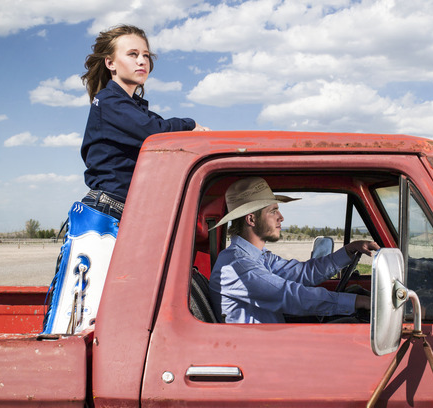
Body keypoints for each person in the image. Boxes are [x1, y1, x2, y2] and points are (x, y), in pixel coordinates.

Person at [79, 24, 210, 220]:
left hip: (124, 207)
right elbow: (155, 132)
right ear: (110, 63)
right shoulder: (108, 102)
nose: (142, 61)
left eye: (146, 55)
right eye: (132, 54)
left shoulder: (132, 107)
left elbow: (162, 131)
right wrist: (189, 124)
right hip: (107, 209)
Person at [208, 177, 380, 323]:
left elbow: (303, 272)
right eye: (273, 211)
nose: (281, 217)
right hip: (255, 353)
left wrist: (349, 251)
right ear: (251, 219)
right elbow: (290, 296)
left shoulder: (259, 257)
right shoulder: (237, 265)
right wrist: (358, 302)